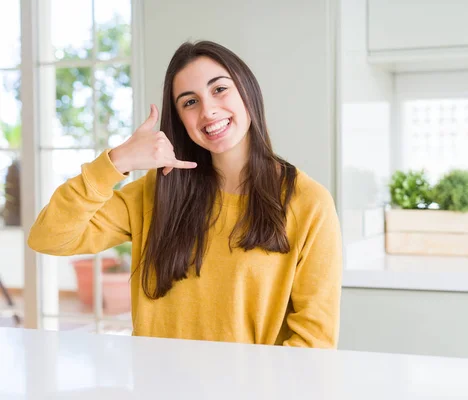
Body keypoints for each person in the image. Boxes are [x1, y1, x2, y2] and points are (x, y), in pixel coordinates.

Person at [27, 40, 343, 348]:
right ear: (180, 119)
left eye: (219, 89)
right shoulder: (156, 193)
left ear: (248, 90)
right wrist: (116, 161)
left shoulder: (308, 203)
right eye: (190, 102)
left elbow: (314, 342)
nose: (208, 111)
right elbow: (49, 237)